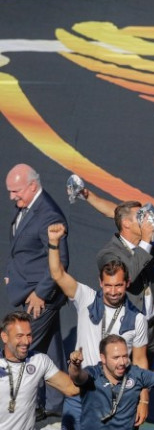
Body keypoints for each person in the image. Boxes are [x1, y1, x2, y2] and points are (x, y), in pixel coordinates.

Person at [47, 223, 150, 429]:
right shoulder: (85, 297)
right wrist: (53, 242)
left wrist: (144, 400)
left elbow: (140, 361)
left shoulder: (137, 319)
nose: (113, 291)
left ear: (127, 283)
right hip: (81, 392)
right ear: (100, 283)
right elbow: (58, 275)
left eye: (118, 285)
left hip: (115, 397)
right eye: (108, 285)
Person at [5, 164, 70, 414]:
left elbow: (60, 260)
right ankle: (55, 403)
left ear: (32, 186)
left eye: (16, 191)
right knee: (50, 348)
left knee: (22, 348)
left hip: (41, 297)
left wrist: (41, 293)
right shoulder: (28, 206)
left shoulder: (49, 215)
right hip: (30, 290)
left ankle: (20, 404)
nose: (12, 197)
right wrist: (12, 273)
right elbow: (24, 250)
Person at [95, 200, 154, 364]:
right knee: (123, 377)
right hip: (126, 330)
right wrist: (145, 241)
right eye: (141, 216)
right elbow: (127, 275)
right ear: (126, 223)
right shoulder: (108, 253)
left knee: (149, 376)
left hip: (151, 328)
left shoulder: (147, 247)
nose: (147, 220)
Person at [68, 335, 154, 430]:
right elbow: (77, 377)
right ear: (103, 358)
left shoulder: (136, 374)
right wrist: (75, 365)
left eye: (125, 356)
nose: (122, 362)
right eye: (116, 357)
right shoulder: (93, 374)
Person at [0, 311, 79, 430]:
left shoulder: (39, 360)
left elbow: (71, 388)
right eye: (19, 336)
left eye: (29, 335)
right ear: (4, 337)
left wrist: (76, 367)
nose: (26, 342)